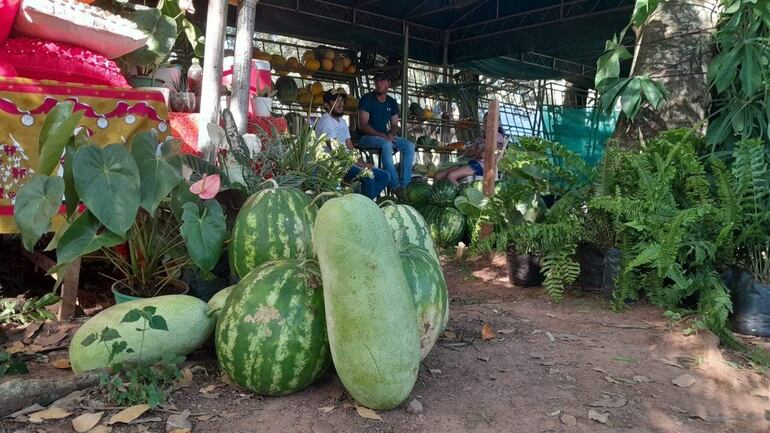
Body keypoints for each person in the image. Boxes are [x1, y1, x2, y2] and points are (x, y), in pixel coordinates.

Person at [315, 89, 390, 200]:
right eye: (336, 101)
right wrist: (361, 166)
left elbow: (350, 146)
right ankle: (364, 207)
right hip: (333, 165)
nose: (341, 104)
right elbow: (336, 150)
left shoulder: (342, 121)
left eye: (341, 100)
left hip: (347, 162)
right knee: (368, 177)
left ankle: (361, 202)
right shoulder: (326, 121)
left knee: (384, 176)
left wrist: (363, 163)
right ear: (326, 105)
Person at [357, 72, 415, 198]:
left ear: (389, 83)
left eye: (382, 80)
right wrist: (384, 137)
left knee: (409, 145)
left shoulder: (392, 102)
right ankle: (395, 186)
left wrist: (391, 134)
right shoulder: (367, 99)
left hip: (384, 136)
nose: (378, 83)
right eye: (376, 80)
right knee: (386, 144)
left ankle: (405, 186)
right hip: (365, 138)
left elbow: (394, 125)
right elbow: (363, 125)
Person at [434, 113, 507, 185]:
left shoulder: (497, 137)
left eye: (491, 121)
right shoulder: (482, 137)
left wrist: (474, 153)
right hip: (473, 163)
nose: (487, 123)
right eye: (485, 121)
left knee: (451, 176)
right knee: (438, 176)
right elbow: (468, 152)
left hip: (483, 167)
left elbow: (483, 155)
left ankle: (461, 193)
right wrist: (474, 152)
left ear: (498, 123)